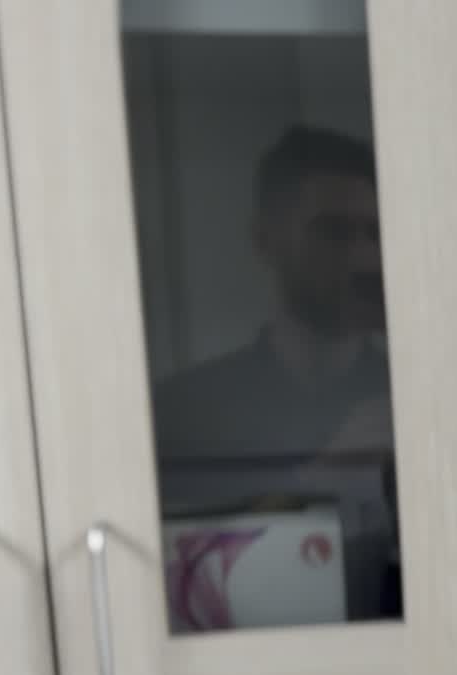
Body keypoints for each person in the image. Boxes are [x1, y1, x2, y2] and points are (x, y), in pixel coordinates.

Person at [150, 125, 400, 623]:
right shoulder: (181, 409)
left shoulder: (416, 400)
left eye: (372, 233)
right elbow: (176, 565)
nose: (361, 259)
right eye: (332, 232)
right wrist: (317, 482)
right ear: (265, 240)